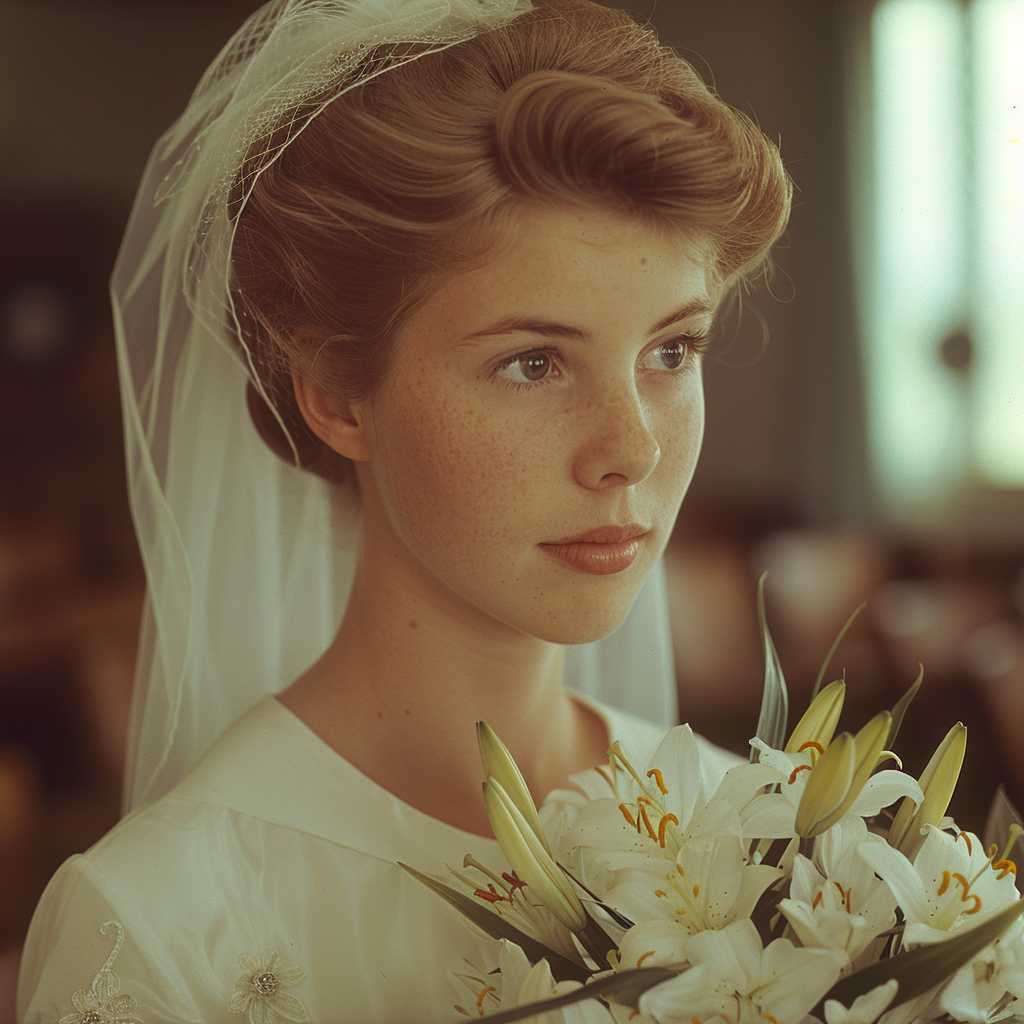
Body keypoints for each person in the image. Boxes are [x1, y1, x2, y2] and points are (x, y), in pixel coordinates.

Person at [17, 0, 790, 1020]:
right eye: (532, 361)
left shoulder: (771, 843)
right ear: (337, 394)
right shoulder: (163, 923)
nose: (632, 448)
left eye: (671, 352)